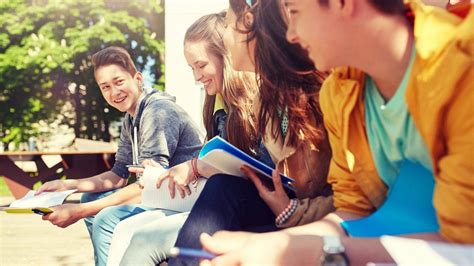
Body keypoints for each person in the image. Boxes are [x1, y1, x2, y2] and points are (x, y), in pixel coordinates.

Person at [198, 0, 474, 265]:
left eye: (294, 12)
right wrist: (269, 245)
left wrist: (310, 252)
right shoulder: (340, 93)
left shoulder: (463, 67)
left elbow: (462, 246)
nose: (290, 34)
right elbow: (352, 210)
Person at [169, 0, 335, 265]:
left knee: (222, 216)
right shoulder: (266, 98)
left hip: (307, 211)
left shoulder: (319, 90)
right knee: (222, 189)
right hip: (283, 205)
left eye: (229, 29)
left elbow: (347, 196)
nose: (226, 37)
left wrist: (292, 211)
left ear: (251, 26)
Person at [105, 12, 260, 266]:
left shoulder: (257, 102)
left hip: (237, 202)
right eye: (192, 68)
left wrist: (194, 167)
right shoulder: (216, 104)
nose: (196, 77)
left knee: (144, 237)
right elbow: (214, 159)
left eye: (201, 66)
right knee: (125, 228)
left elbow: (244, 168)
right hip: (207, 198)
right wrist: (162, 174)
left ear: (226, 57)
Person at [38, 46, 203, 266]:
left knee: (106, 218)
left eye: (119, 82)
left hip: (187, 196)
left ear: (137, 78)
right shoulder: (130, 118)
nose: (114, 92)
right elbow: (118, 175)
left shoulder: (158, 112)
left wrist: (78, 211)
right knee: (91, 198)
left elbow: (149, 185)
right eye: (105, 87)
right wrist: (66, 186)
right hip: (162, 194)